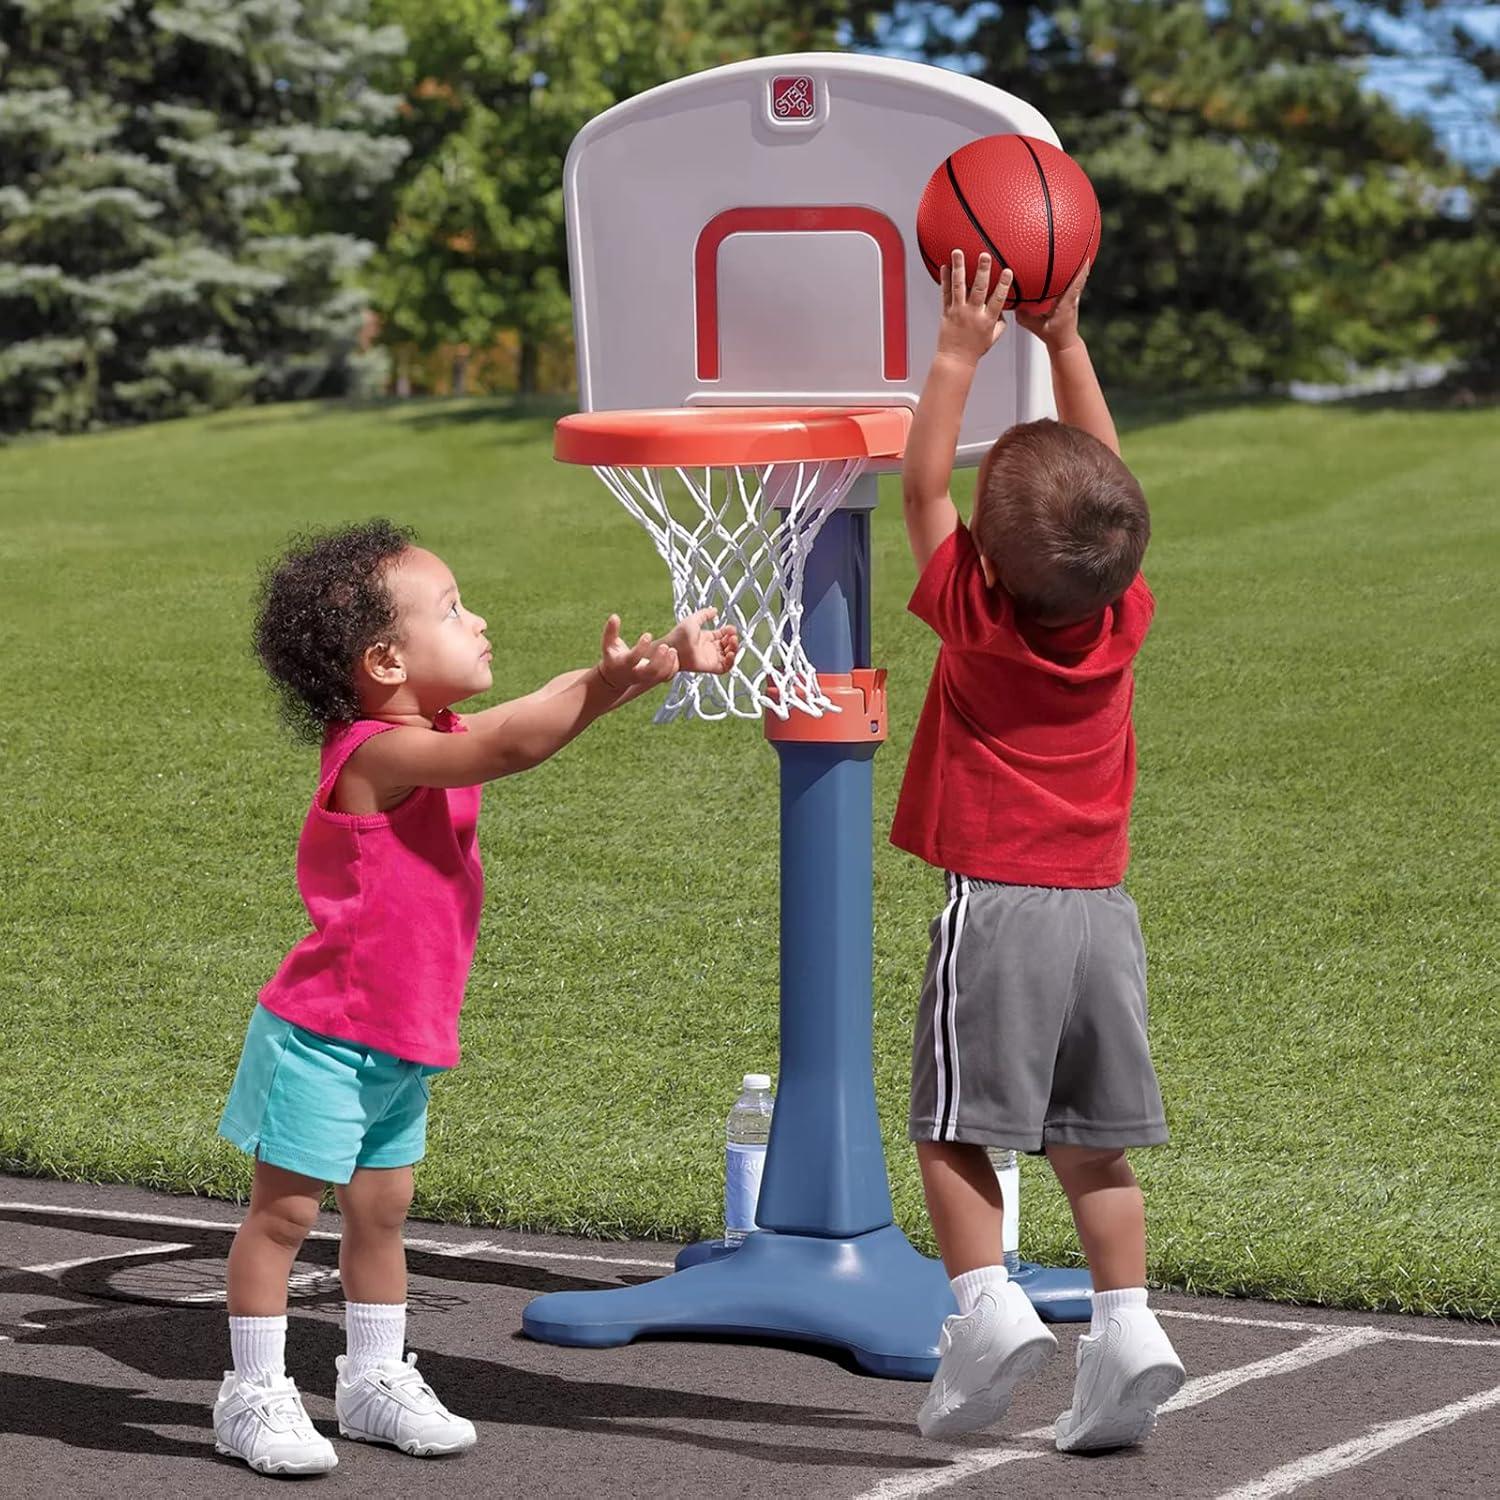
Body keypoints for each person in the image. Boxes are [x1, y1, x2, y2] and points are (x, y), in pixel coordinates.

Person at [213, 519, 737, 1474]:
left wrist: (639, 669)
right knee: (282, 1219)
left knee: (381, 1215)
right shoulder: (375, 755)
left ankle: (373, 1381)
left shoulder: (433, 732)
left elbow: (533, 709)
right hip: (322, 1038)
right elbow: (512, 745)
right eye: (453, 610)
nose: (480, 619)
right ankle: (251, 1395)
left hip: (397, 1041)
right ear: (385, 660)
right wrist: (611, 683)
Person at [894, 252, 1185, 1452]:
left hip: (998, 912)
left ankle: (985, 1308)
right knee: (1091, 1144)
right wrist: (1063, 340)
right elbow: (1098, 478)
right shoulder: (1122, 615)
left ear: (987, 563)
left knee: (950, 1127)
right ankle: (1129, 1329)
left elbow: (920, 487)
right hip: (1102, 916)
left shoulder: (977, 618)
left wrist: (957, 353)